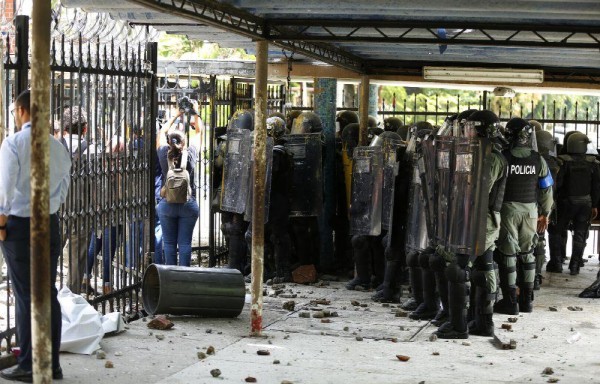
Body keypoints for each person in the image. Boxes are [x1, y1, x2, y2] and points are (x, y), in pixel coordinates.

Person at [0, 90, 71, 381]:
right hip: (50, 222)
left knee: (25, 295)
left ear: (21, 111)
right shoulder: (58, 145)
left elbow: (4, 188)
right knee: (47, 292)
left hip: (19, 225)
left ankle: (30, 363)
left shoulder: (14, 143)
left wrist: (1, 224)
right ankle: (51, 362)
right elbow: (64, 186)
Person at [435, 110, 507, 339]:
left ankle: (459, 326)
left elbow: (477, 191)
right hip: (474, 218)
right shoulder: (479, 152)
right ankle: (482, 323)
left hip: (481, 221)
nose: (467, 131)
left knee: (458, 269)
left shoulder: (492, 157)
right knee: (482, 270)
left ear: (482, 129)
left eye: (471, 127)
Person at [495, 118, 553, 315]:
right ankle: (527, 301)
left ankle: (510, 302)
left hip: (508, 210)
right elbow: (547, 189)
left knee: (508, 254)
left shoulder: (503, 157)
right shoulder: (539, 159)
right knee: (528, 253)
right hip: (531, 212)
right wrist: (545, 213)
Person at [549, 132, 600, 275]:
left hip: (565, 202)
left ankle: (556, 263)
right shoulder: (593, 163)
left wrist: (553, 201)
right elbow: (596, 186)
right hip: (586, 203)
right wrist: (594, 205)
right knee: (580, 233)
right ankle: (575, 266)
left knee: (556, 231)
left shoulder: (563, 161)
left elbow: (557, 185)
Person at [60, 106, 93, 295]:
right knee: (77, 258)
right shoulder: (92, 149)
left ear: (64, 128)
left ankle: (45, 296)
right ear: (85, 128)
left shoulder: (54, 147)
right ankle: (71, 297)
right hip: (83, 209)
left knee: (49, 253)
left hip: (57, 208)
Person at [156, 129, 199, 266]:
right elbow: (199, 132)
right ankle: (184, 276)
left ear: (168, 142)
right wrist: (195, 112)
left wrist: (175, 115)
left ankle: (171, 277)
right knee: (185, 243)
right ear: (184, 142)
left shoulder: (164, 154)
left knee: (168, 243)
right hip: (188, 204)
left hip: (167, 205)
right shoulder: (191, 154)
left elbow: (160, 133)